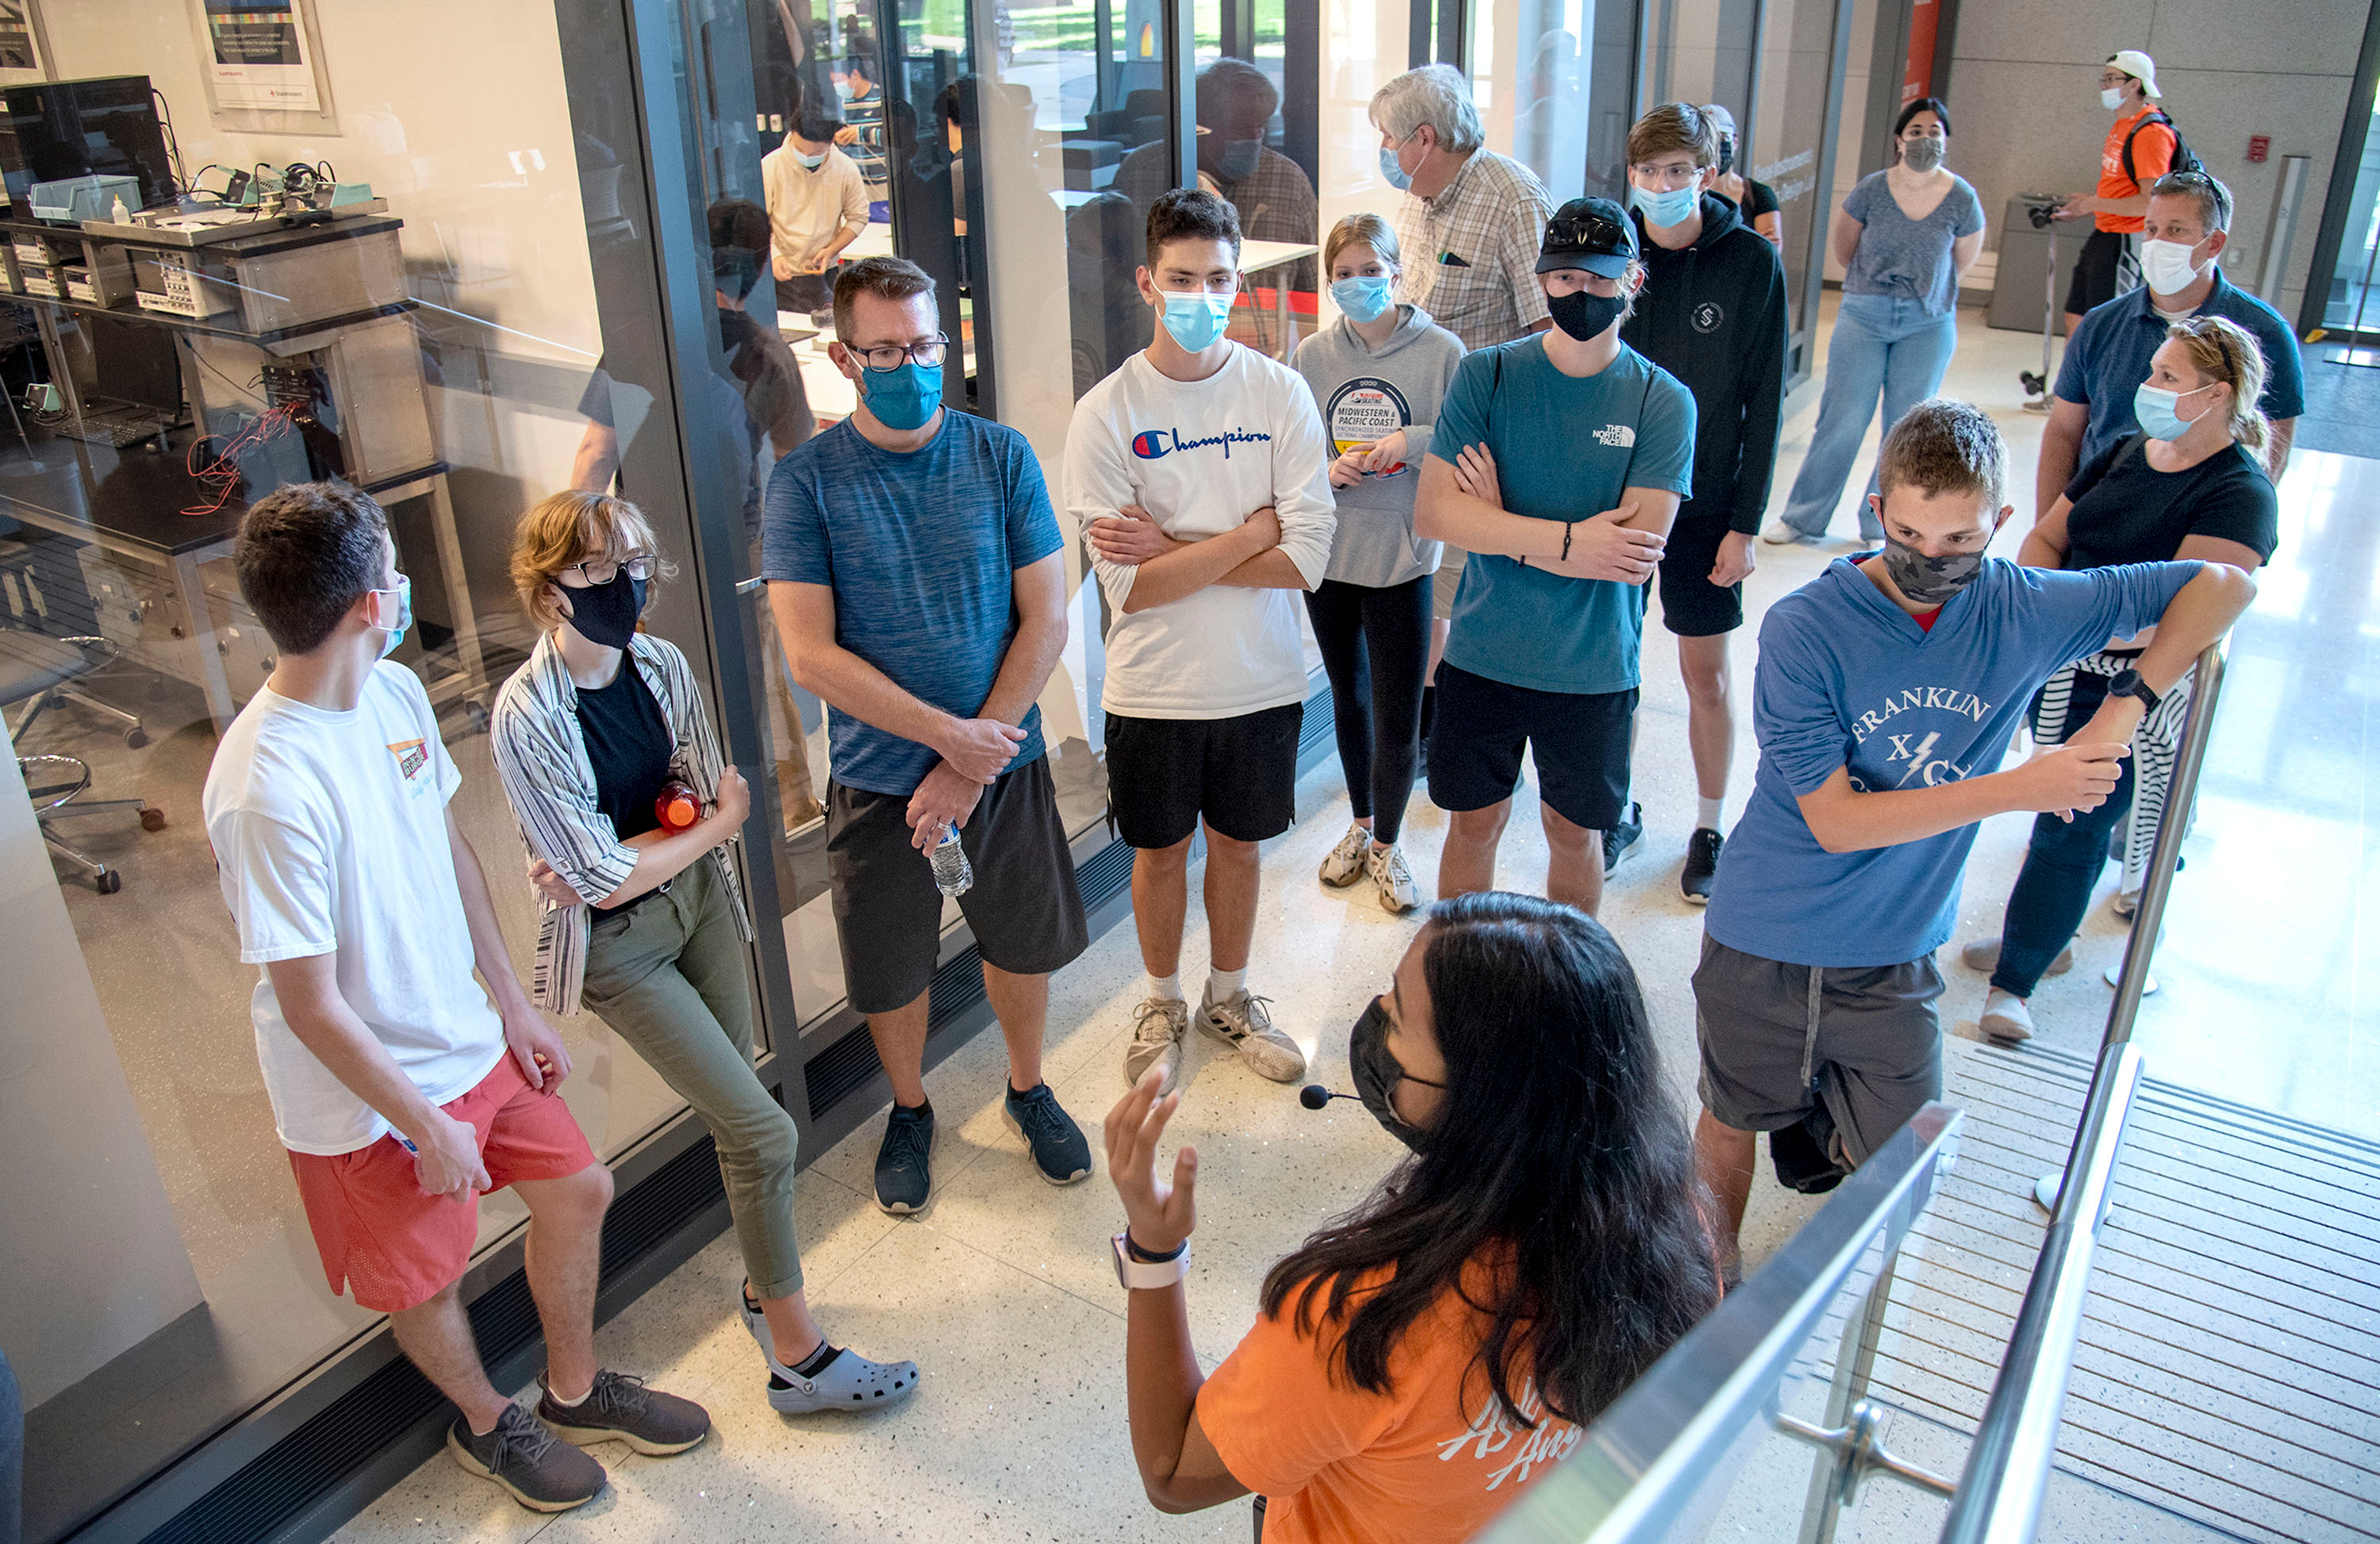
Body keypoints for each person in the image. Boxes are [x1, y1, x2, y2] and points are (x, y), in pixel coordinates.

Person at [201, 483, 710, 1512]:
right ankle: (486, 1420)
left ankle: (571, 1391)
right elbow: (308, 1003)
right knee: (425, 1279)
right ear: (363, 607)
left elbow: (450, 851)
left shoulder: (390, 695)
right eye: (391, 573)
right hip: (365, 1095)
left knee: (580, 1188)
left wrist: (514, 1007)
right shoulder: (264, 783)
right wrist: (421, 1119)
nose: (401, 586)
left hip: (465, 1036)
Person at [1696, 401, 2255, 1281]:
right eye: (1908, 531)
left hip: (1896, 946)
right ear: (1876, 510)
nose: (1929, 559)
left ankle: (1822, 1118)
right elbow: (1836, 821)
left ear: (1999, 523)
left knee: (1911, 1166)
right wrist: (2023, 786)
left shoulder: (2024, 606)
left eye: (1958, 540)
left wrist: (2120, 709)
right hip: (1770, 926)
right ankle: (1707, 1274)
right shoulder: (1806, 626)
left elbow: (2226, 585)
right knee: (1733, 1112)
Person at [1101, 891, 1720, 1544]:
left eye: (1395, 1014)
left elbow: (1172, 1471)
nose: (1374, 1020)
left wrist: (1155, 1251)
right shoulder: (1678, 1233)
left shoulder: (1362, 1320)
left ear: (1478, 1093)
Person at [489, 491, 919, 1413]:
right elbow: (624, 871)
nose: (628, 584)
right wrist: (687, 834)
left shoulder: (660, 662)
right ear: (548, 586)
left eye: (639, 563)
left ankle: (767, 1294)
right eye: (601, 568)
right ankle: (797, 1356)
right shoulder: (523, 714)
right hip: (621, 951)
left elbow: (695, 797)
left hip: (699, 904)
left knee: (743, 1121)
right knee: (768, 1130)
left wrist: (647, 847)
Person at [764, 256, 1093, 1216]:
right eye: (888, 349)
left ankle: (1028, 1085)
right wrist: (948, 742)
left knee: (1020, 945)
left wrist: (969, 756)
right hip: (878, 778)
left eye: (927, 345)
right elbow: (810, 654)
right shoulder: (808, 483)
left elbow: (1047, 618)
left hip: (1002, 767)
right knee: (891, 967)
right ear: (843, 356)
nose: (913, 364)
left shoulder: (1001, 455)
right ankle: (910, 1107)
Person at [1066, 188, 1336, 1099]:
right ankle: (1159, 999)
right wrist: (1247, 533)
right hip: (1153, 689)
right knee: (1156, 852)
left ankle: (1230, 994)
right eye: (1181, 278)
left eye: (1218, 279)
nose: (1200, 295)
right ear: (1148, 282)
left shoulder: (1279, 391)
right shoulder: (1104, 413)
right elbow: (1131, 585)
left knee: (1242, 846)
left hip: (1261, 678)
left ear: (1237, 283)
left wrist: (1184, 548)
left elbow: (1306, 561)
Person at [1965, 318, 2278, 1043]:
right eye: (2153, 372)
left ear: (2216, 394)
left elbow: (2182, 613)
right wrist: (2045, 606)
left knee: (2073, 821)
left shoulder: (2239, 496)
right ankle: (2043, 939)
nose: (2148, 388)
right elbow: (2049, 535)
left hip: (2140, 685)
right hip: (2065, 658)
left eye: (2167, 378)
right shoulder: (2125, 451)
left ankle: (2015, 982)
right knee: (2046, 810)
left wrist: (2072, 616)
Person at [1413, 198, 1695, 916]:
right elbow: (1437, 513)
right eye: (1565, 277)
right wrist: (1570, 541)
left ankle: (1571, 981)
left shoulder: (1662, 402)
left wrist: (1500, 524)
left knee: (1574, 834)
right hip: (1483, 656)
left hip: (1592, 665)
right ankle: (1455, 974)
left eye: (1599, 279)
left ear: (1633, 281)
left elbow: (1630, 556)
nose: (1581, 294)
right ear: (1542, 280)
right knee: (1474, 824)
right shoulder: (1488, 376)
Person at [1618, 103, 1787, 904]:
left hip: (1709, 506)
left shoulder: (1752, 261)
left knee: (1705, 676)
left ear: (1711, 174)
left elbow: (1764, 401)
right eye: (1649, 172)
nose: (1662, 186)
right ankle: (1613, 806)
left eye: (1679, 171)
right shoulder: (1615, 248)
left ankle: (1711, 825)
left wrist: (1746, 525)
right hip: (1613, 504)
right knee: (1606, 668)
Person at [1370, 63, 1557, 750]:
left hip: (1487, 438)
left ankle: (1458, 726)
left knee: (1466, 589)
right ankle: (1425, 726)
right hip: (1422, 431)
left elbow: (1551, 331)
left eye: (1389, 140)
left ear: (1424, 138)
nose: (1386, 154)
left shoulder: (1511, 199)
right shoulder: (1419, 200)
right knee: (1430, 584)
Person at [1292, 213, 1466, 915]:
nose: (1357, 284)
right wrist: (1321, 474)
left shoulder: (1442, 351)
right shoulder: (1312, 357)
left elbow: (1464, 435)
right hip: (1331, 552)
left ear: (1397, 273)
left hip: (1402, 557)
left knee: (1398, 712)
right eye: (1343, 273)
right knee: (1348, 697)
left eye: (1371, 270)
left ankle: (1391, 847)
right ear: (1328, 281)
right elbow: (1294, 444)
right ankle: (1360, 826)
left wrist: (1410, 438)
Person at [1764, 98, 1983, 545]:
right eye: (1917, 130)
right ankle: (1803, 517)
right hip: (1865, 314)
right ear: (1900, 139)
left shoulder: (1961, 197)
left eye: (1935, 131)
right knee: (1842, 418)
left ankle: (1883, 524)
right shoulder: (1872, 189)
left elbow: (1961, 262)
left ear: (1946, 140)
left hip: (1927, 321)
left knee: (1906, 428)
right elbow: (1844, 250)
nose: (1926, 139)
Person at [2034, 171, 2301, 522]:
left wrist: (2234, 529)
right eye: (2151, 229)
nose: (2158, 242)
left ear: (2214, 244)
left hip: (2194, 520)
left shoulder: (2265, 334)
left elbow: (2272, 449)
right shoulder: (2101, 325)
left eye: (2176, 230)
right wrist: (2048, 531)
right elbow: (2064, 432)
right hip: (2097, 512)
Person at [1114, 59, 1320, 298]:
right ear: (1198, 126)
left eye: (1261, 127)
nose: (1254, 138)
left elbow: (1314, 288)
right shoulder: (1142, 171)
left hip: (1263, 331)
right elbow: (1116, 277)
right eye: (1241, 128)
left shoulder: (1287, 182)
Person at [2052, 50, 2178, 331]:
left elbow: (2149, 203)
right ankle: (2075, 374)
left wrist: (2091, 204)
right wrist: (2086, 205)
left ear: (2135, 85)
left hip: (2126, 240)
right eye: (2104, 79)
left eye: (2112, 79)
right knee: (2076, 313)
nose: (2105, 86)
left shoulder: (2151, 133)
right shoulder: (2122, 125)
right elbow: (2119, 190)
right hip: (2105, 232)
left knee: (2108, 325)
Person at [762, 102, 869, 317]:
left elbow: (858, 217)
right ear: (792, 134)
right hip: (782, 273)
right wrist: (775, 256)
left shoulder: (845, 167)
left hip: (825, 271)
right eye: (802, 151)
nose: (809, 156)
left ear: (831, 142)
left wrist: (832, 249)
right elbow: (759, 221)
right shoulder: (770, 166)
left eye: (818, 152)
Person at [1701, 103, 1783, 251]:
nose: (1715, 147)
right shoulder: (1685, 195)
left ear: (1735, 141)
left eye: (1722, 138)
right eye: (1707, 140)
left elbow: (1769, 252)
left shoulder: (1758, 195)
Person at [833, 33, 889, 194]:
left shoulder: (881, 98)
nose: (836, 86)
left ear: (855, 75)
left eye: (838, 80)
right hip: (856, 183)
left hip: (884, 182)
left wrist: (861, 133)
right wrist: (840, 139)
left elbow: (895, 137)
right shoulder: (843, 103)